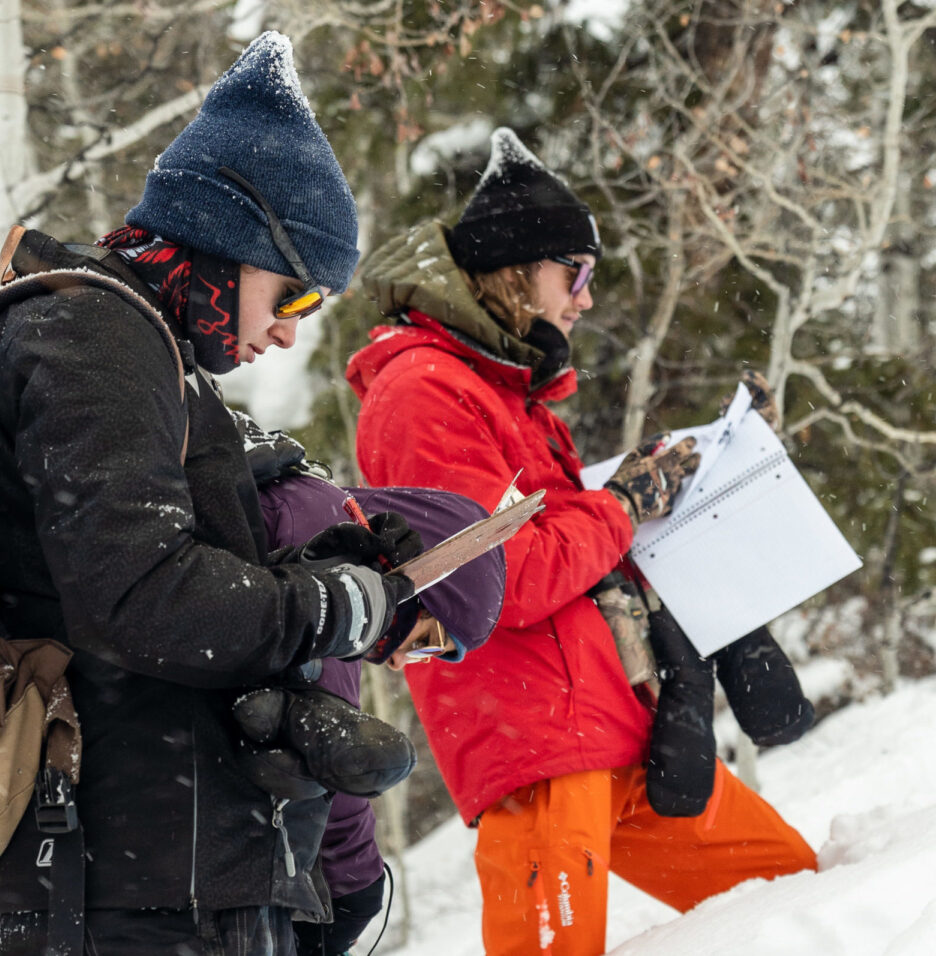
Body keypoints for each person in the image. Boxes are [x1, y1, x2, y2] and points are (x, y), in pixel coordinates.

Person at [0, 32, 415, 956]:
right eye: (291, 295)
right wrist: (326, 607)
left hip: (167, 877)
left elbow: (132, 579)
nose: (291, 333)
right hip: (136, 892)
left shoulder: (143, 353)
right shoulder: (93, 338)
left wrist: (310, 574)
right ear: (224, 242)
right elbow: (143, 600)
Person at [345, 127, 817, 955]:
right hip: (536, 747)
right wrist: (621, 509)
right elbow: (501, 575)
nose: (586, 298)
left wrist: (693, 477)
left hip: (618, 725)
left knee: (799, 896)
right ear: (516, 270)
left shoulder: (507, 395)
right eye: (577, 273)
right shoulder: (422, 393)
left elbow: (569, 534)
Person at [237, 417, 506, 955]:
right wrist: (356, 889)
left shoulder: (319, 513)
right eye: (429, 639)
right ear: (424, 584)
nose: (407, 661)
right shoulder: (325, 540)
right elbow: (328, 745)